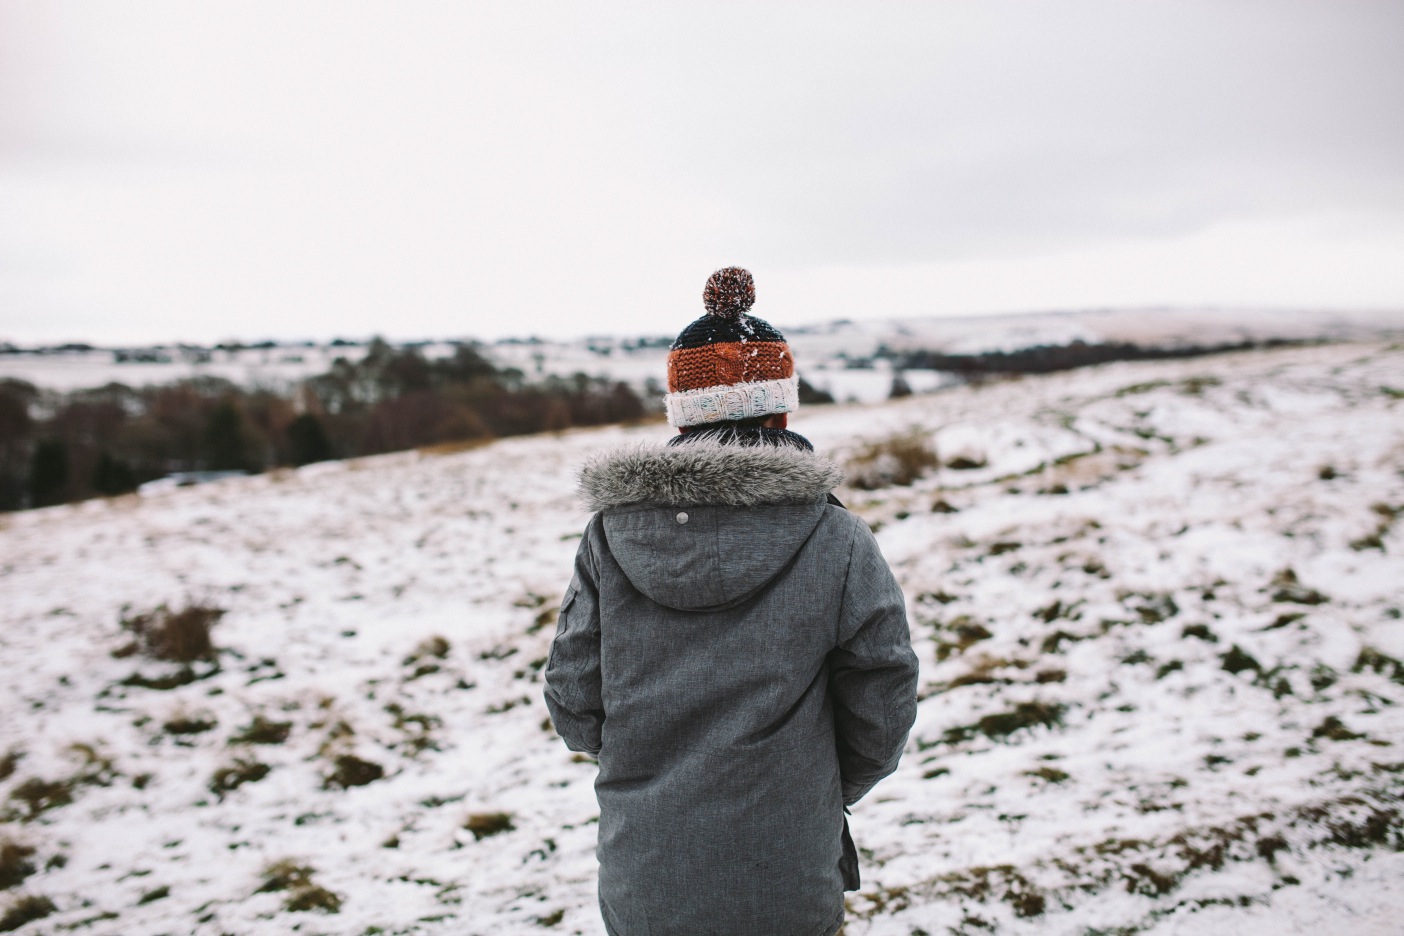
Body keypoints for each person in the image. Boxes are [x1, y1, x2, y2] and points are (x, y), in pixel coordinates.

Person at [544, 267, 919, 936]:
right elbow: (883, 696)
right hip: (789, 868)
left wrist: (648, 768)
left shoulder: (607, 537)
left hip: (647, 874)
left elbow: (573, 698)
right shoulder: (838, 538)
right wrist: (821, 783)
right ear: (780, 408)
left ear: (683, 415)